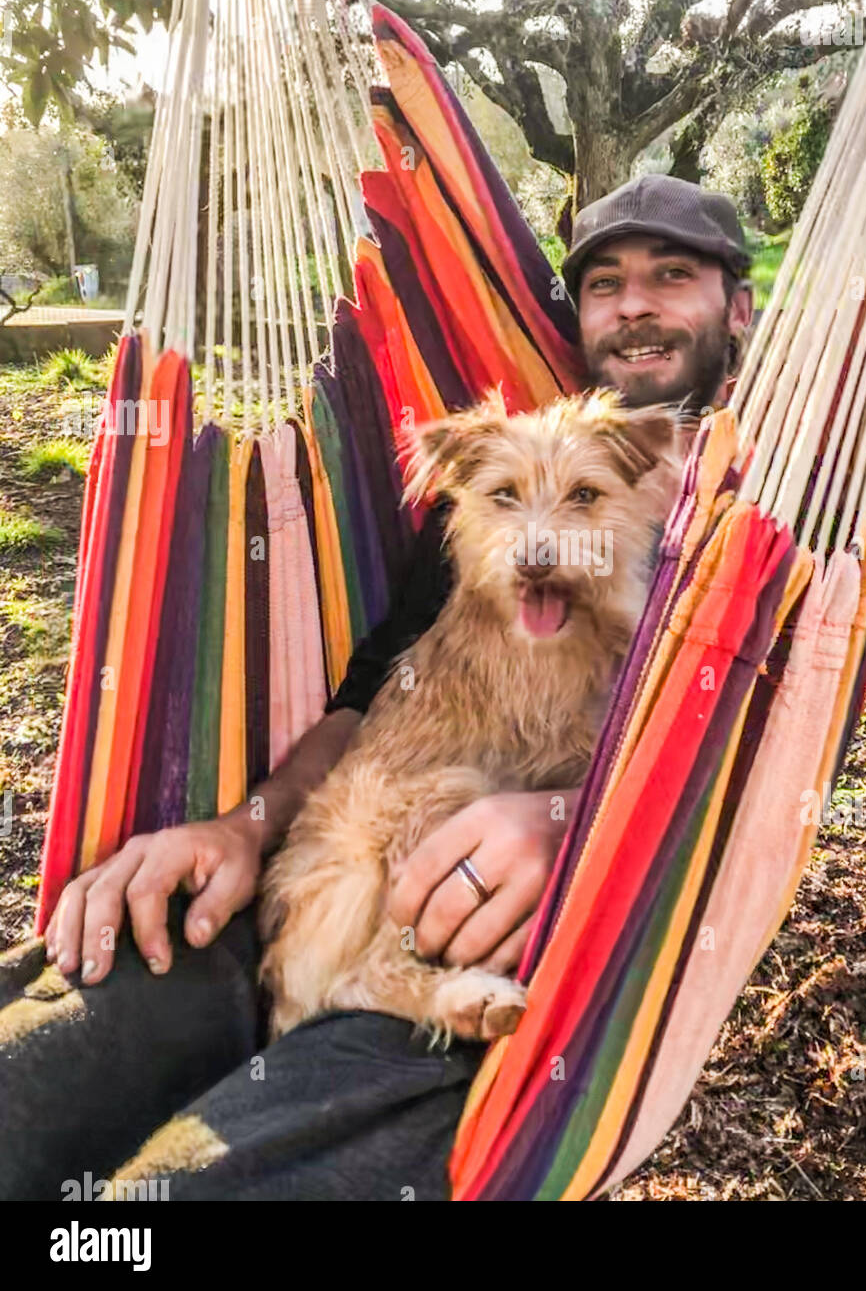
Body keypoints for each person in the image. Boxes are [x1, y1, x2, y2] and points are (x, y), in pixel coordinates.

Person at [0, 174, 753, 1201]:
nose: (633, 303)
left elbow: (750, 779)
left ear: (738, 309)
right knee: (35, 1074)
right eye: (604, 283)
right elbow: (365, 701)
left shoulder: (776, 525)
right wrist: (243, 823)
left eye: (672, 276)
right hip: (317, 879)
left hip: (532, 982)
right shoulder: (497, 505)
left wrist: (565, 816)